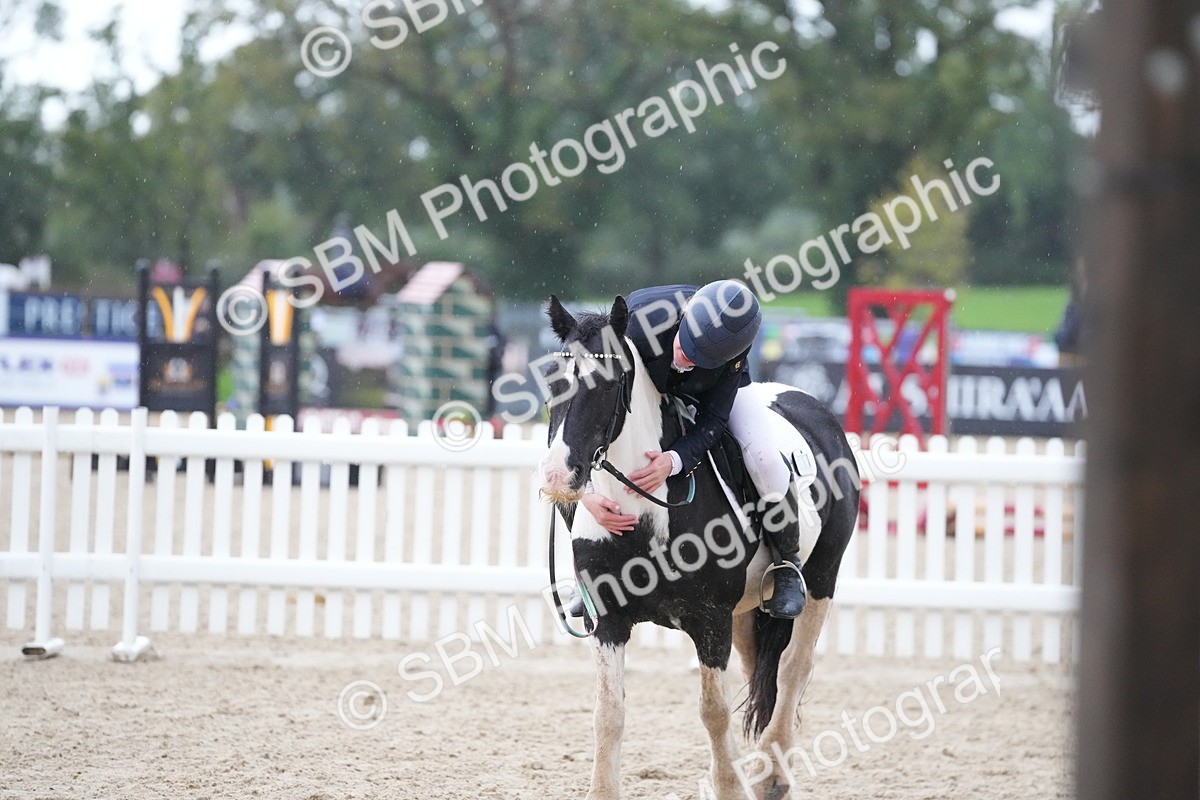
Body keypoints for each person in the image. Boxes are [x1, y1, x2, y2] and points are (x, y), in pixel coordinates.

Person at [576, 280, 807, 619]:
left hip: (707, 389)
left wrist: (674, 460)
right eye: (685, 346)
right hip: (640, 387)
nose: (685, 358)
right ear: (683, 318)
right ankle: (588, 574)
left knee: (766, 460)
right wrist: (585, 491)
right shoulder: (638, 323)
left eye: (700, 357)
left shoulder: (732, 350)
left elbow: (714, 417)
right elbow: (586, 405)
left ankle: (788, 565)